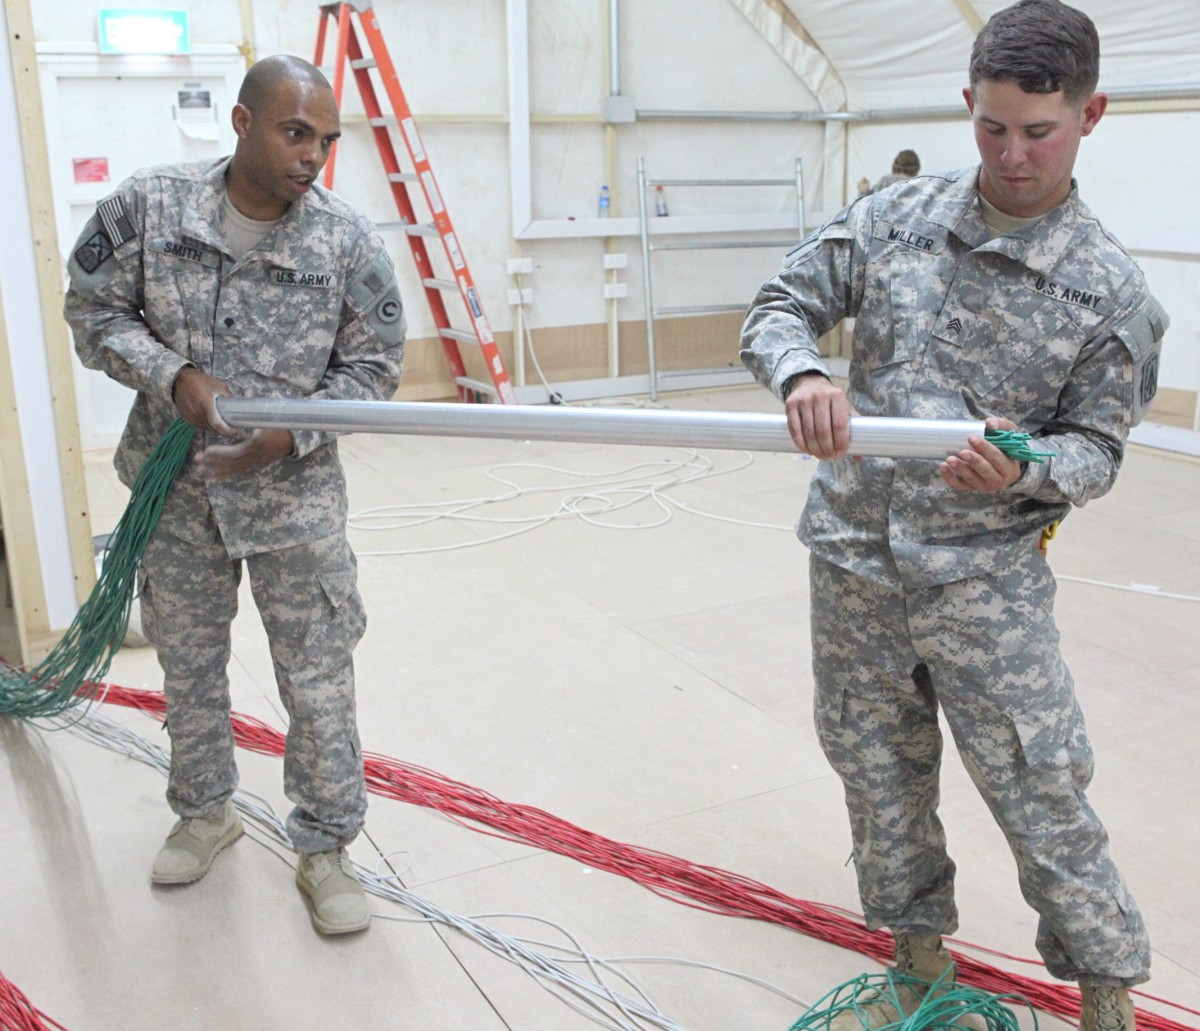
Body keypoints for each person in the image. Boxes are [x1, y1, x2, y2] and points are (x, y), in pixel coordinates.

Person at [739, 2, 1166, 1029]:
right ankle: (916, 959)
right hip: (854, 560)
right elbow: (778, 305)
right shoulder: (894, 219)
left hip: (984, 580)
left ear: (1091, 114)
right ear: (967, 106)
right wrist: (799, 371)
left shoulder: (1111, 292)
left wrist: (1019, 471)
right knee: (875, 766)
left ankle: (1106, 992)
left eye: (1039, 131)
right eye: (992, 127)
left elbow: (1096, 452)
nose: (1013, 155)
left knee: (1039, 780)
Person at [65, 55, 406, 937]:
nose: (313, 157)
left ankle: (327, 848)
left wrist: (291, 434)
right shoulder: (149, 207)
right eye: (297, 133)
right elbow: (91, 311)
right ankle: (204, 810)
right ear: (244, 123)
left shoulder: (347, 242)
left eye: (327, 141)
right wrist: (170, 373)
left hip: (293, 507)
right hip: (174, 492)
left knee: (319, 679)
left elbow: (374, 370)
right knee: (189, 666)